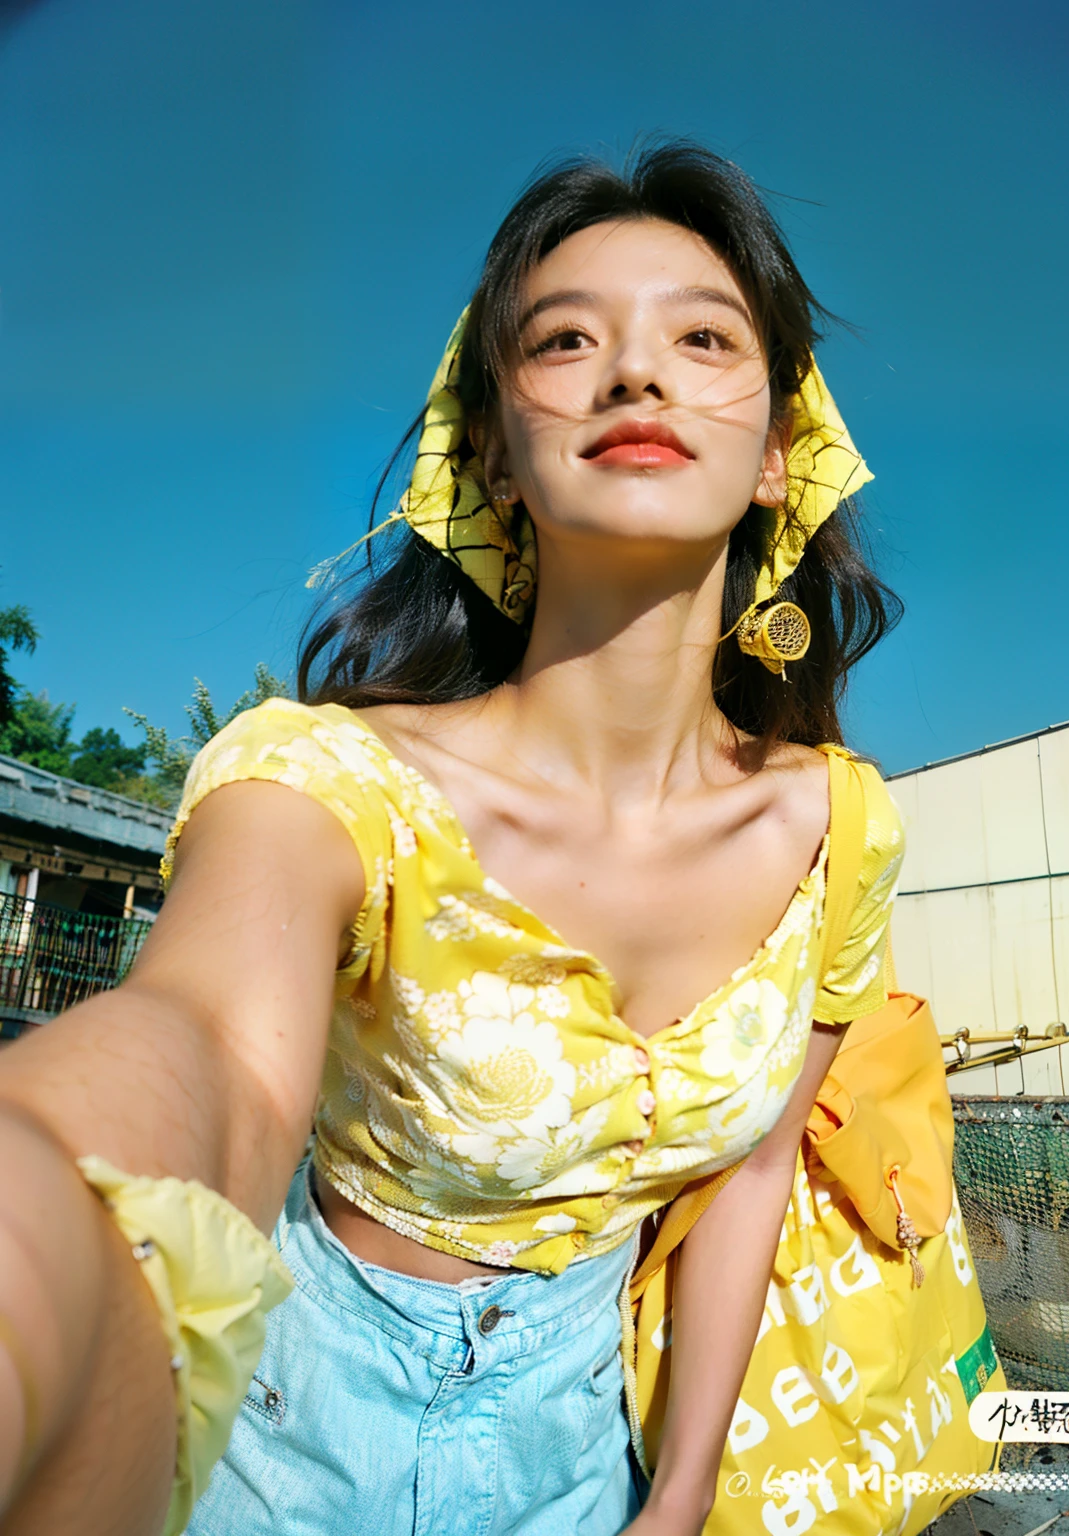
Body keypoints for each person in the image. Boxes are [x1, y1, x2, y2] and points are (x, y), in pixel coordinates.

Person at [0, 140, 906, 1536]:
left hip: (583, 1465)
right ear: (488, 447)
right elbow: (219, 1057)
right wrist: (43, 1221)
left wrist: (680, 1495)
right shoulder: (331, 777)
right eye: (565, 340)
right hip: (277, 1447)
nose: (636, 373)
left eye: (703, 336)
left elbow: (756, 1165)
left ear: (784, 451)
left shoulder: (838, 826)